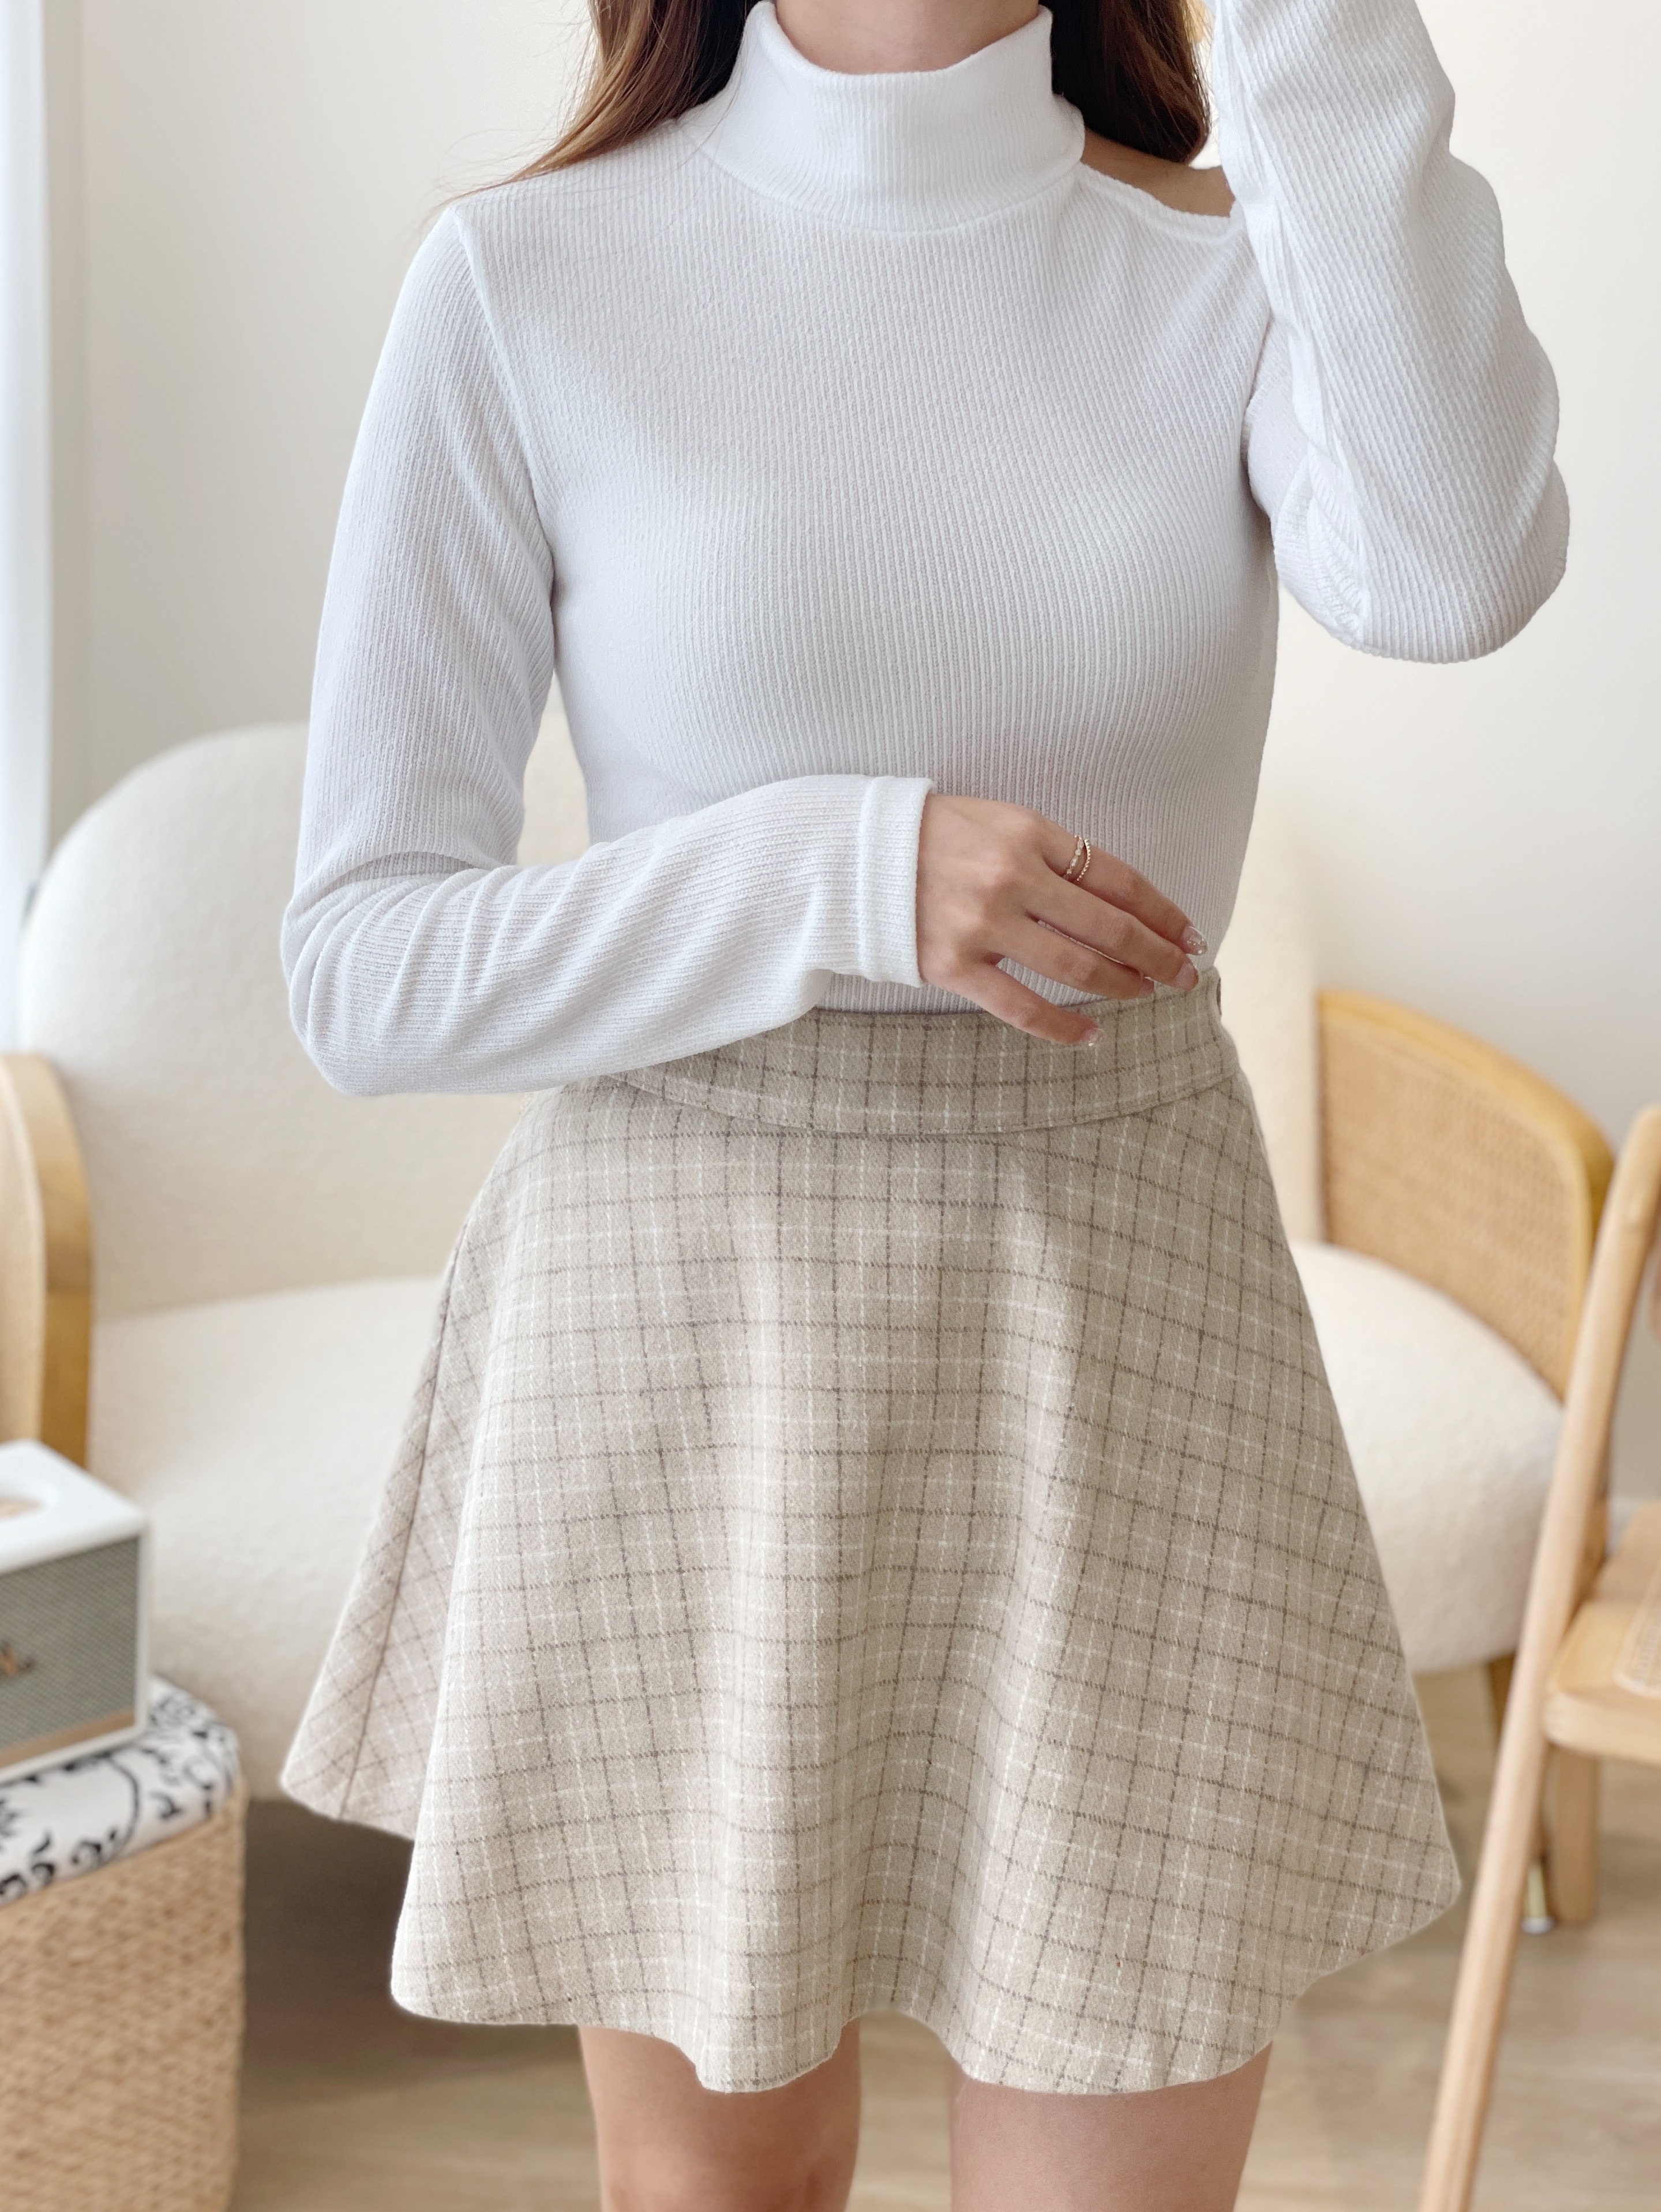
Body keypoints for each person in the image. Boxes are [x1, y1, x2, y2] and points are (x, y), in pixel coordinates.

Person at [278, 0, 1566, 2204]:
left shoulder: (1228, 264)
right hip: (685, 1326)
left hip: (1122, 1319)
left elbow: (1455, 574)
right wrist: (841, 870)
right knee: (728, 2187)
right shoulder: (529, 278)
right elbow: (364, 965)